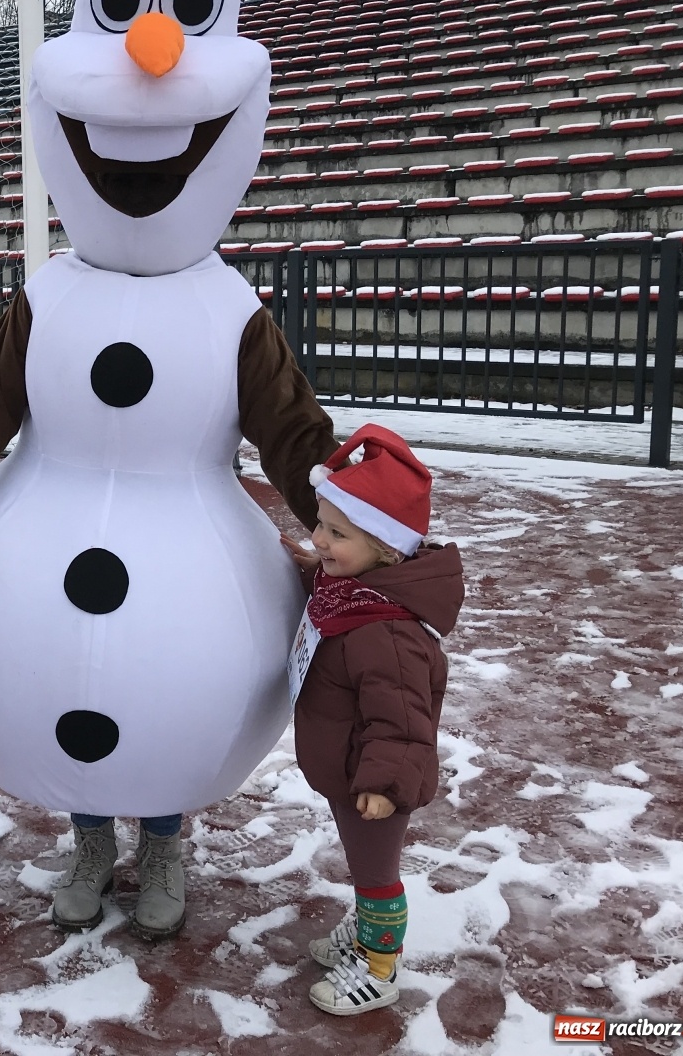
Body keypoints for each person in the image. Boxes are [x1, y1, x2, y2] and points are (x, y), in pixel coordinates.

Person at [282, 423, 463, 1016]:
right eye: (321, 525)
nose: (320, 539)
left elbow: (404, 719)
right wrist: (315, 560)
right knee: (364, 863)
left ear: (385, 548)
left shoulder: (385, 630)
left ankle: (380, 964)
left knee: (377, 873)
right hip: (348, 765)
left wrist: (385, 786)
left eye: (337, 533)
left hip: (375, 777)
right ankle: (365, 930)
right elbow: (331, 582)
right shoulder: (353, 594)